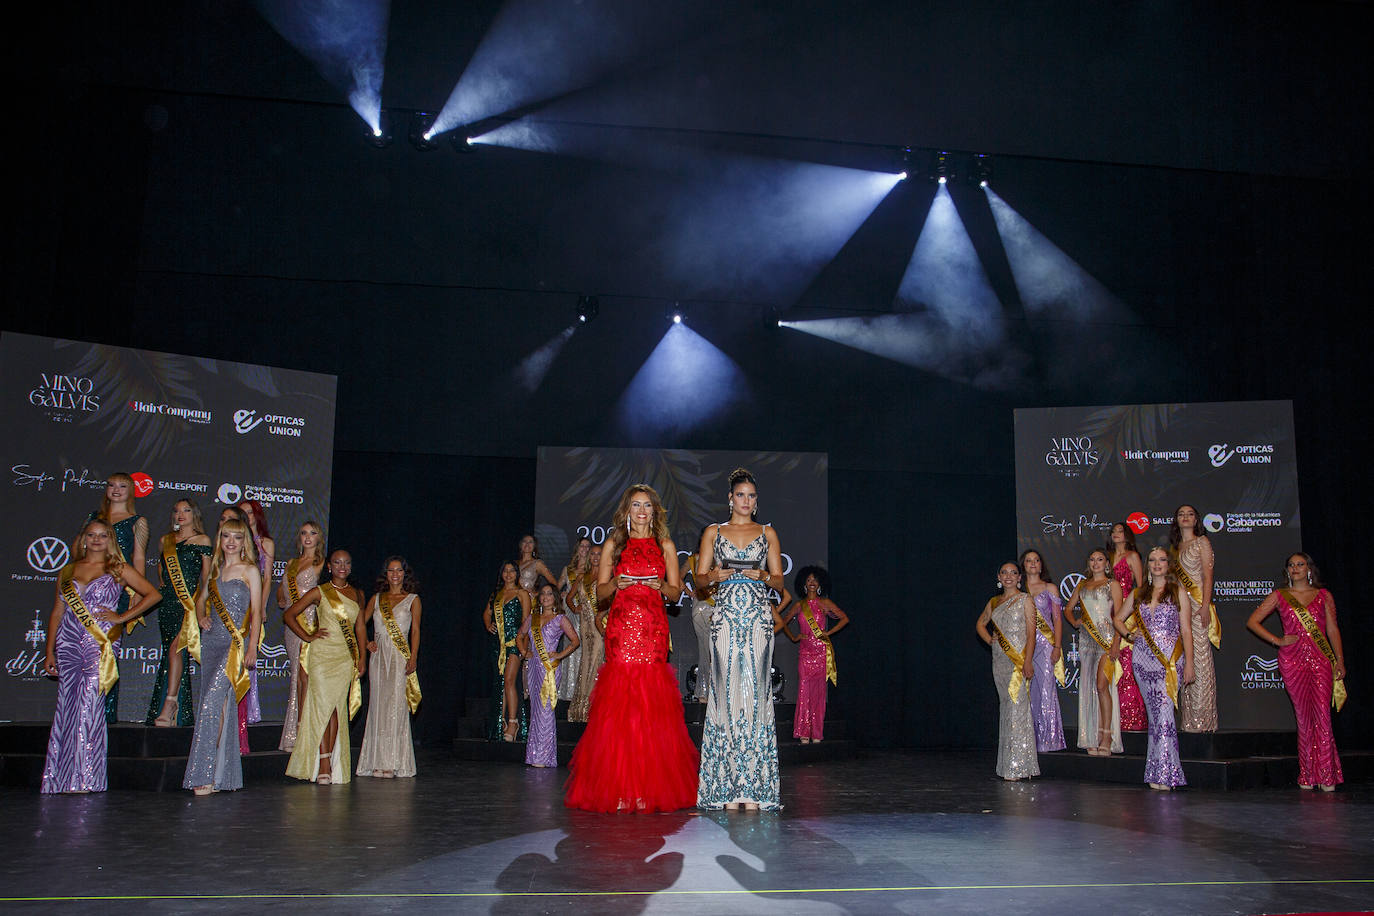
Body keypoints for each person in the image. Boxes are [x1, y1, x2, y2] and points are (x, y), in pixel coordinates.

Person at [564, 484, 699, 812]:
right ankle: (619, 789)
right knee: (621, 709)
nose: (641, 511)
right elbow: (600, 591)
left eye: (647, 506)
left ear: (655, 510)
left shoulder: (665, 544)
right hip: (622, 629)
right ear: (626, 510)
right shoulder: (614, 543)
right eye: (636, 505)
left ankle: (648, 789)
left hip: (652, 629)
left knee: (650, 711)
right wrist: (617, 584)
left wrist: (660, 586)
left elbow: (674, 592)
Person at [41, 518, 159, 793]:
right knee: (66, 708)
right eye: (91, 535)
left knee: (90, 706)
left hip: (100, 643)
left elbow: (152, 595)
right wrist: (50, 650)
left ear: (110, 540)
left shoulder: (118, 568)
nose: (96, 540)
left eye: (103, 535)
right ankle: (59, 777)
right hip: (68, 641)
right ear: (83, 539)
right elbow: (57, 612)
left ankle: (86, 777)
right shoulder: (68, 570)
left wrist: (122, 617)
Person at [695, 468, 784, 811]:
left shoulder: (768, 533)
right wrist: (714, 575)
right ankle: (727, 788)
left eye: (752, 496)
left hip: (759, 620)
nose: (746, 501)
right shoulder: (714, 532)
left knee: (757, 695)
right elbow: (701, 581)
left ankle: (757, 788)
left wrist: (762, 575)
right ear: (730, 498)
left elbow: (778, 583)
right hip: (726, 620)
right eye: (741, 495)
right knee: (725, 696)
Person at [1246, 553, 1346, 790]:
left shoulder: (1324, 596)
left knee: (1322, 714)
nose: (1296, 568)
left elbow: (1332, 630)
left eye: (1300, 564)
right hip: (1292, 661)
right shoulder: (1280, 596)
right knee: (1303, 717)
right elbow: (1253, 621)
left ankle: (1326, 774)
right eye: (1291, 565)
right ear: (1287, 571)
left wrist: (1339, 661)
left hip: (1321, 660)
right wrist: (1277, 640)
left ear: (1309, 569)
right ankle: (1308, 775)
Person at [182, 518, 262, 795]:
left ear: (244, 542)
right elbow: (200, 598)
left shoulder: (250, 570)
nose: (231, 541)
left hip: (234, 646)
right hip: (212, 641)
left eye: (237, 537)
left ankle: (204, 773)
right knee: (217, 708)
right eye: (226, 536)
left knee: (211, 707)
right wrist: (202, 615)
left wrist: (252, 648)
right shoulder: (215, 570)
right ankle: (218, 775)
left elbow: (258, 614)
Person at [283, 549, 368, 786]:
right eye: (337, 562)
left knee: (337, 710)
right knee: (323, 710)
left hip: (344, 658)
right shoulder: (319, 592)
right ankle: (323, 763)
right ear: (329, 566)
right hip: (321, 657)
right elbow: (289, 614)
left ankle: (328, 760)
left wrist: (361, 658)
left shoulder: (357, 594)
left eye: (347, 563)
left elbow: (360, 627)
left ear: (351, 567)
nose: (342, 566)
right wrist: (308, 636)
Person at [1114, 546, 1195, 790]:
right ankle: (1156, 771)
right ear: (1147, 564)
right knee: (1155, 716)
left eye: (1161, 560)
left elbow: (1187, 630)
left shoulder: (1177, 592)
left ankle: (1166, 772)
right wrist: (1129, 634)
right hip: (1142, 660)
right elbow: (1117, 619)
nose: (1157, 564)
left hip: (1169, 661)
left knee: (1166, 714)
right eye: (1152, 560)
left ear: (1168, 565)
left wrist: (1190, 663)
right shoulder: (1138, 593)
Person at [88, 473, 149, 723]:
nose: (116, 490)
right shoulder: (94, 519)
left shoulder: (138, 521)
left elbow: (138, 558)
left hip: (117, 590)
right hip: (89, 589)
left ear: (131, 491)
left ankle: (105, 712)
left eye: (123, 486)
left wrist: (135, 592)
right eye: (111, 485)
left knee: (107, 648)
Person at [146, 499, 212, 727]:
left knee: (177, 648)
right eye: (176, 510)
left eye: (186, 510)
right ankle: (179, 711)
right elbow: (162, 573)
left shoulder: (203, 540)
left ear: (195, 514)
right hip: (168, 605)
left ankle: (170, 703)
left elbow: (206, 580)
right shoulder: (165, 541)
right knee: (172, 654)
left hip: (190, 605)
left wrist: (202, 611)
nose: (181, 514)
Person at [357, 556, 422, 778]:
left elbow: (415, 631)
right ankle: (376, 759)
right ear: (386, 574)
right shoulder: (376, 599)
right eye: (391, 570)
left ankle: (393, 761)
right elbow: (360, 623)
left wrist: (413, 657)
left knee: (396, 706)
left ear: (405, 573)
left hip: (400, 656)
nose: (395, 574)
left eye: (399, 570)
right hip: (379, 656)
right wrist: (366, 643)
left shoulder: (412, 599)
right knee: (377, 705)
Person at [975, 561, 1039, 781]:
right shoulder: (994, 602)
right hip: (1000, 662)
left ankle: (1019, 764)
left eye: (1013, 573)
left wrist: (1028, 661)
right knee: (1007, 708)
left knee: (1018, 708)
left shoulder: (1025, 600)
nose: (1009, 576)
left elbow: (1032, 635)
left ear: (1019, 578)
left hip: (1019, 661)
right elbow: (980, 624)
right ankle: (1011, 764)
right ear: (999, 577)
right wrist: (990, 640)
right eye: (1004, 572)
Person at [1062, 549, 1123, 756]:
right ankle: (1091, 735)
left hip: (1106, 641)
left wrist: (1116, 643)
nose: (1096, 563)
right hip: (1087, 642)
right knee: (1089, 687)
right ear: (1088, 564)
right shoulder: (1082, 585)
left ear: (1107, 563)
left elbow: (1120, 616)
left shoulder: (1112, 585)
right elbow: (1068, 609)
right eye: (1092, 560)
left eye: (1100, 559)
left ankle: (1107, 736)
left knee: (1101, 685)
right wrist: (1075, 622)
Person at [780, 566, 848, 743]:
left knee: (818, 694)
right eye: (809, 580)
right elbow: (783, 622)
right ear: (804, 583)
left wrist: (828, 633)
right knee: (804, 692)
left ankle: (816, 733)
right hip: (805, 652)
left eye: (815, 580)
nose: (812, 583)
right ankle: (803, 732)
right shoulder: (799, 605)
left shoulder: (825, 603)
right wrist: (794, 637)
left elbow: (844, 618)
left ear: (819, 584)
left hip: (821, 652)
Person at [519, 583, 579, 768]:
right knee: (536, 710)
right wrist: (524, 652)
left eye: (549, 594)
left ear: (555, 598)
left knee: (545, 710)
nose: (545, 597)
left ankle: (543, 757)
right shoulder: (532, 618)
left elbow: (575, 641)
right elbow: (519, 635)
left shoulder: (560, 618)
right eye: (543, 594)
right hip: (534, 667)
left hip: (550, 668)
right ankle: (534, 755)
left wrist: (560, 655)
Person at [278, 521, 325, 751]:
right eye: (304, 533)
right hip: (292, 626)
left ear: (319, 538)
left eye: (312, 533)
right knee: (296, 675)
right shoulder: (291, 564)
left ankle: (302, 730)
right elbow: (281, 596)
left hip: (309, 623)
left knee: (305, 676)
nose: (308, 537)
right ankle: (294, 733)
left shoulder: (322, 564)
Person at [1172, 505, 1219, 732]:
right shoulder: (1176, 548)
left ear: (1196, 519)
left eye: (1190, 514)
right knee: (1185, 659)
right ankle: (1188, 720)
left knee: (1200, 658)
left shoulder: (1202, 542)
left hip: (1198, 604)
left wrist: (1204, 606)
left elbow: (1208, 577)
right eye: (1181, 514)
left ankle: (1203, 719)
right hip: (1180, 607)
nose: (1185, 517)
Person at [1020, 548, 1066, 752]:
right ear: (1023, 565)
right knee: (1028, 692)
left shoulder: (1050, 588)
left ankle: (1049, 740)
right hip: (1024, 646)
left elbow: (1057, 619)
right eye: (1029, 560)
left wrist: (1057, 646)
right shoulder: (1019, 590)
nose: (1032, 563)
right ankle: (1030, 740)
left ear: (1041, 564)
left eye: (1036, 560)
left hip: (1046, 644)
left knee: (1046, 689)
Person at [236, 500, 274, 734]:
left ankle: (249, 710)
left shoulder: (265, 543)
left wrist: (261, 606)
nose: (246, 516)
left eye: (250, 512)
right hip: (234, 602)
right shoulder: (234, 541)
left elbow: (267, 578)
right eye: (242, 513)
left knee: (250, 653)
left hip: (254, 603)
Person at [484, 563, 530, 742]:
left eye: (512, 571)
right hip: (498, 645)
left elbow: (526, 622)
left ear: (517, 574)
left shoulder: (522, 594)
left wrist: (524, 648)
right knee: (501, 683)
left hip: (514, 644)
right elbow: (486, 614)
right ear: (501, 574)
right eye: (505, 571)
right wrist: (489, 625)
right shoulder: (497, 595)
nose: (508, 574)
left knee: (510, 681)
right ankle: (500, 723)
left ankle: (513, 722)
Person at [1108, 522, 1147, 732]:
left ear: (1127, 535)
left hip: (1127, 612)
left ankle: (1132, 719)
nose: (1116, 534)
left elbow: (1141, 590)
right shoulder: (1105, 556)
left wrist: (1141, 619)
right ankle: (1112, 719)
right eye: (1113, 531)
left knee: (1127, 668)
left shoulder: (1132, 556)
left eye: (1120, 531)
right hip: (1107, 613)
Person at [566, 548, 604, 723]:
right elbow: (569, 598)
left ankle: (591, 708)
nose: (595, 557)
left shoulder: (606, 577)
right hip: (585, 627)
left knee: (597, 661)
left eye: (599, 554)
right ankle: (579, 708)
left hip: (599, 627)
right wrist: (574, 608)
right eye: (593, 554)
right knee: (586, 662)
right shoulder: (582, 577)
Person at [556, 537, 592, 703]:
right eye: (582, 546)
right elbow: (556, 589)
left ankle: (585, 689)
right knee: (572, 644)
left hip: (587, 611)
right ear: (577, 549)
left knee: (587, 647)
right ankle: (569, 689)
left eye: (587, 546)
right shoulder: (568, 570)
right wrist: (562, 597)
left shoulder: (593, 568)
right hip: (571, 611)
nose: (584, 549)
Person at [685, 530, 715, 703]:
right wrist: (690, 593)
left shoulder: (719, 558)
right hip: (700, 609)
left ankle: (718, 690)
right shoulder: (694, 559)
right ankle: (703, 690)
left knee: (718, 650)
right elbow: (678, 578)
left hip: (718, 608)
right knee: (705, 649)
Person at [517, 534, 559, 599]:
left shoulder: (537, 563)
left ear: (534, 546)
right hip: (514, 599)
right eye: (524, 541)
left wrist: (539, 593)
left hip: (528, 600)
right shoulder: (514, 564)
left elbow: (554, 583)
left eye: (530, 542)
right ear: (521, 545)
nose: (527, 544)